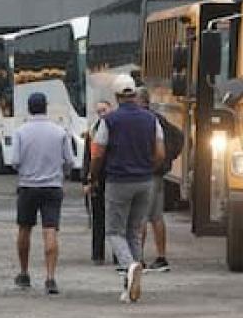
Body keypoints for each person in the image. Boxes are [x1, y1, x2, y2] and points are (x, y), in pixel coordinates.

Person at [88, 75, 164, 303]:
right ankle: (130, 284)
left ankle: (129, 265)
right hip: (145, 181)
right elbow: (160, 153)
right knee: (134, 231)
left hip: (118, 181)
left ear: (117, 96)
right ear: (133, 94)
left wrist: (93, 175)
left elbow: (98, 152)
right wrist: (149, 167)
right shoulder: (151, 120)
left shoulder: (109, 121)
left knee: (114, 231)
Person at [11, 92, 74, 295]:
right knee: (50, 230)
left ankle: (24, 272)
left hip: (28, 187)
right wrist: (59, 175)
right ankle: (50, 277)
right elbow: (70, 161)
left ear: (29, 108)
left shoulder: (20, 132)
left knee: (24, 229)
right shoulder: (59, 132)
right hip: (52, 187)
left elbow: (14, 161)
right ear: (46, 107)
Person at [137, 88, 183, 272]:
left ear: (141, 102)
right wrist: (168, 159)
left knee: (140, 217)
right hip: (158, 175)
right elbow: (179, 136)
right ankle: (161, 256)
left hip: (145, 173)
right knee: (157, 217)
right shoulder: (160, 119)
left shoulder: (143, 121)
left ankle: (138, 258)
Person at [82, 100, 113, 264]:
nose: (102, 113)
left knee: (114, 220)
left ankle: (117, 255)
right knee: (98, 219)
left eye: (104, 110)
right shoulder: (92, 131)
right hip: (96, 180)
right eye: (99, 110)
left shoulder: (115, 129)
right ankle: (97, 254)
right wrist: (86, 181)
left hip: (112, 179)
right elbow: (87, 158)